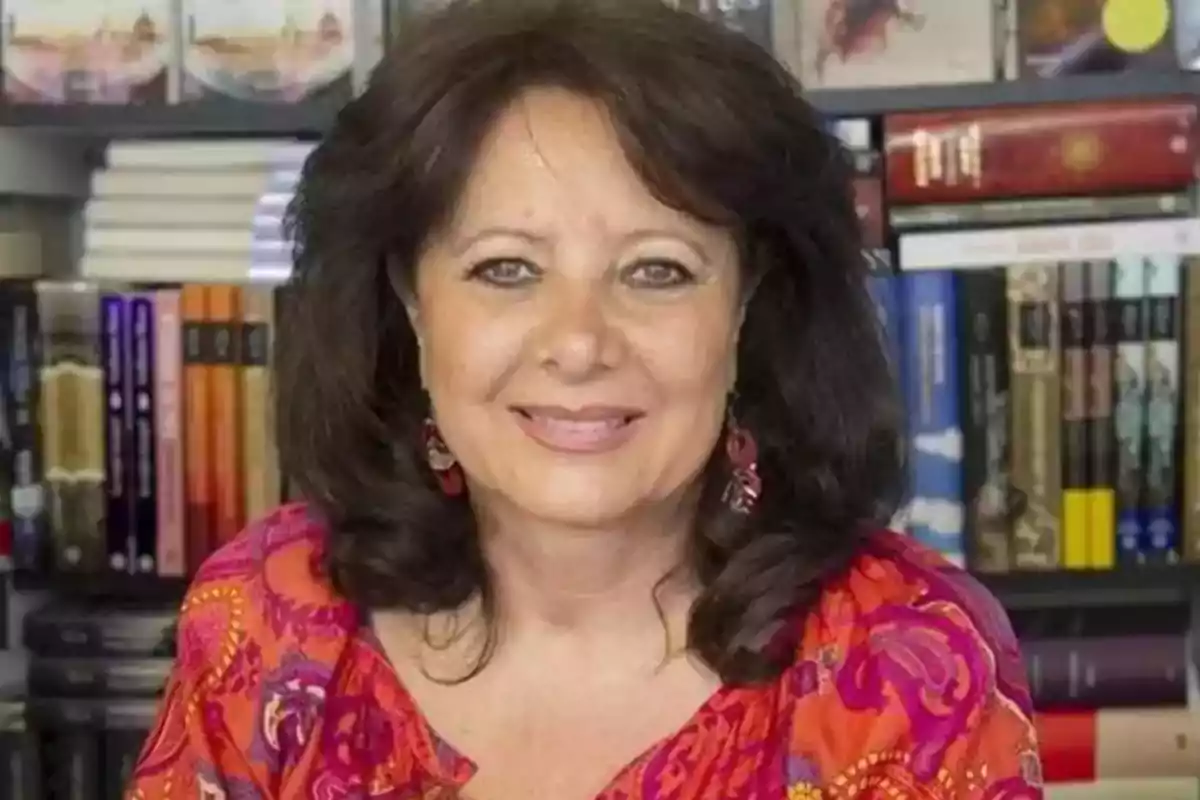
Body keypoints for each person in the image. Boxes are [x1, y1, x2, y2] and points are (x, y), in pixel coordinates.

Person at [127, 1, 1042, 797]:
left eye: (656, 270)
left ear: (748, 301)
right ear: (409, 298)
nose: (578, 343)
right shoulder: (270, 616)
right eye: (506, 269)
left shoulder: (904, 660)